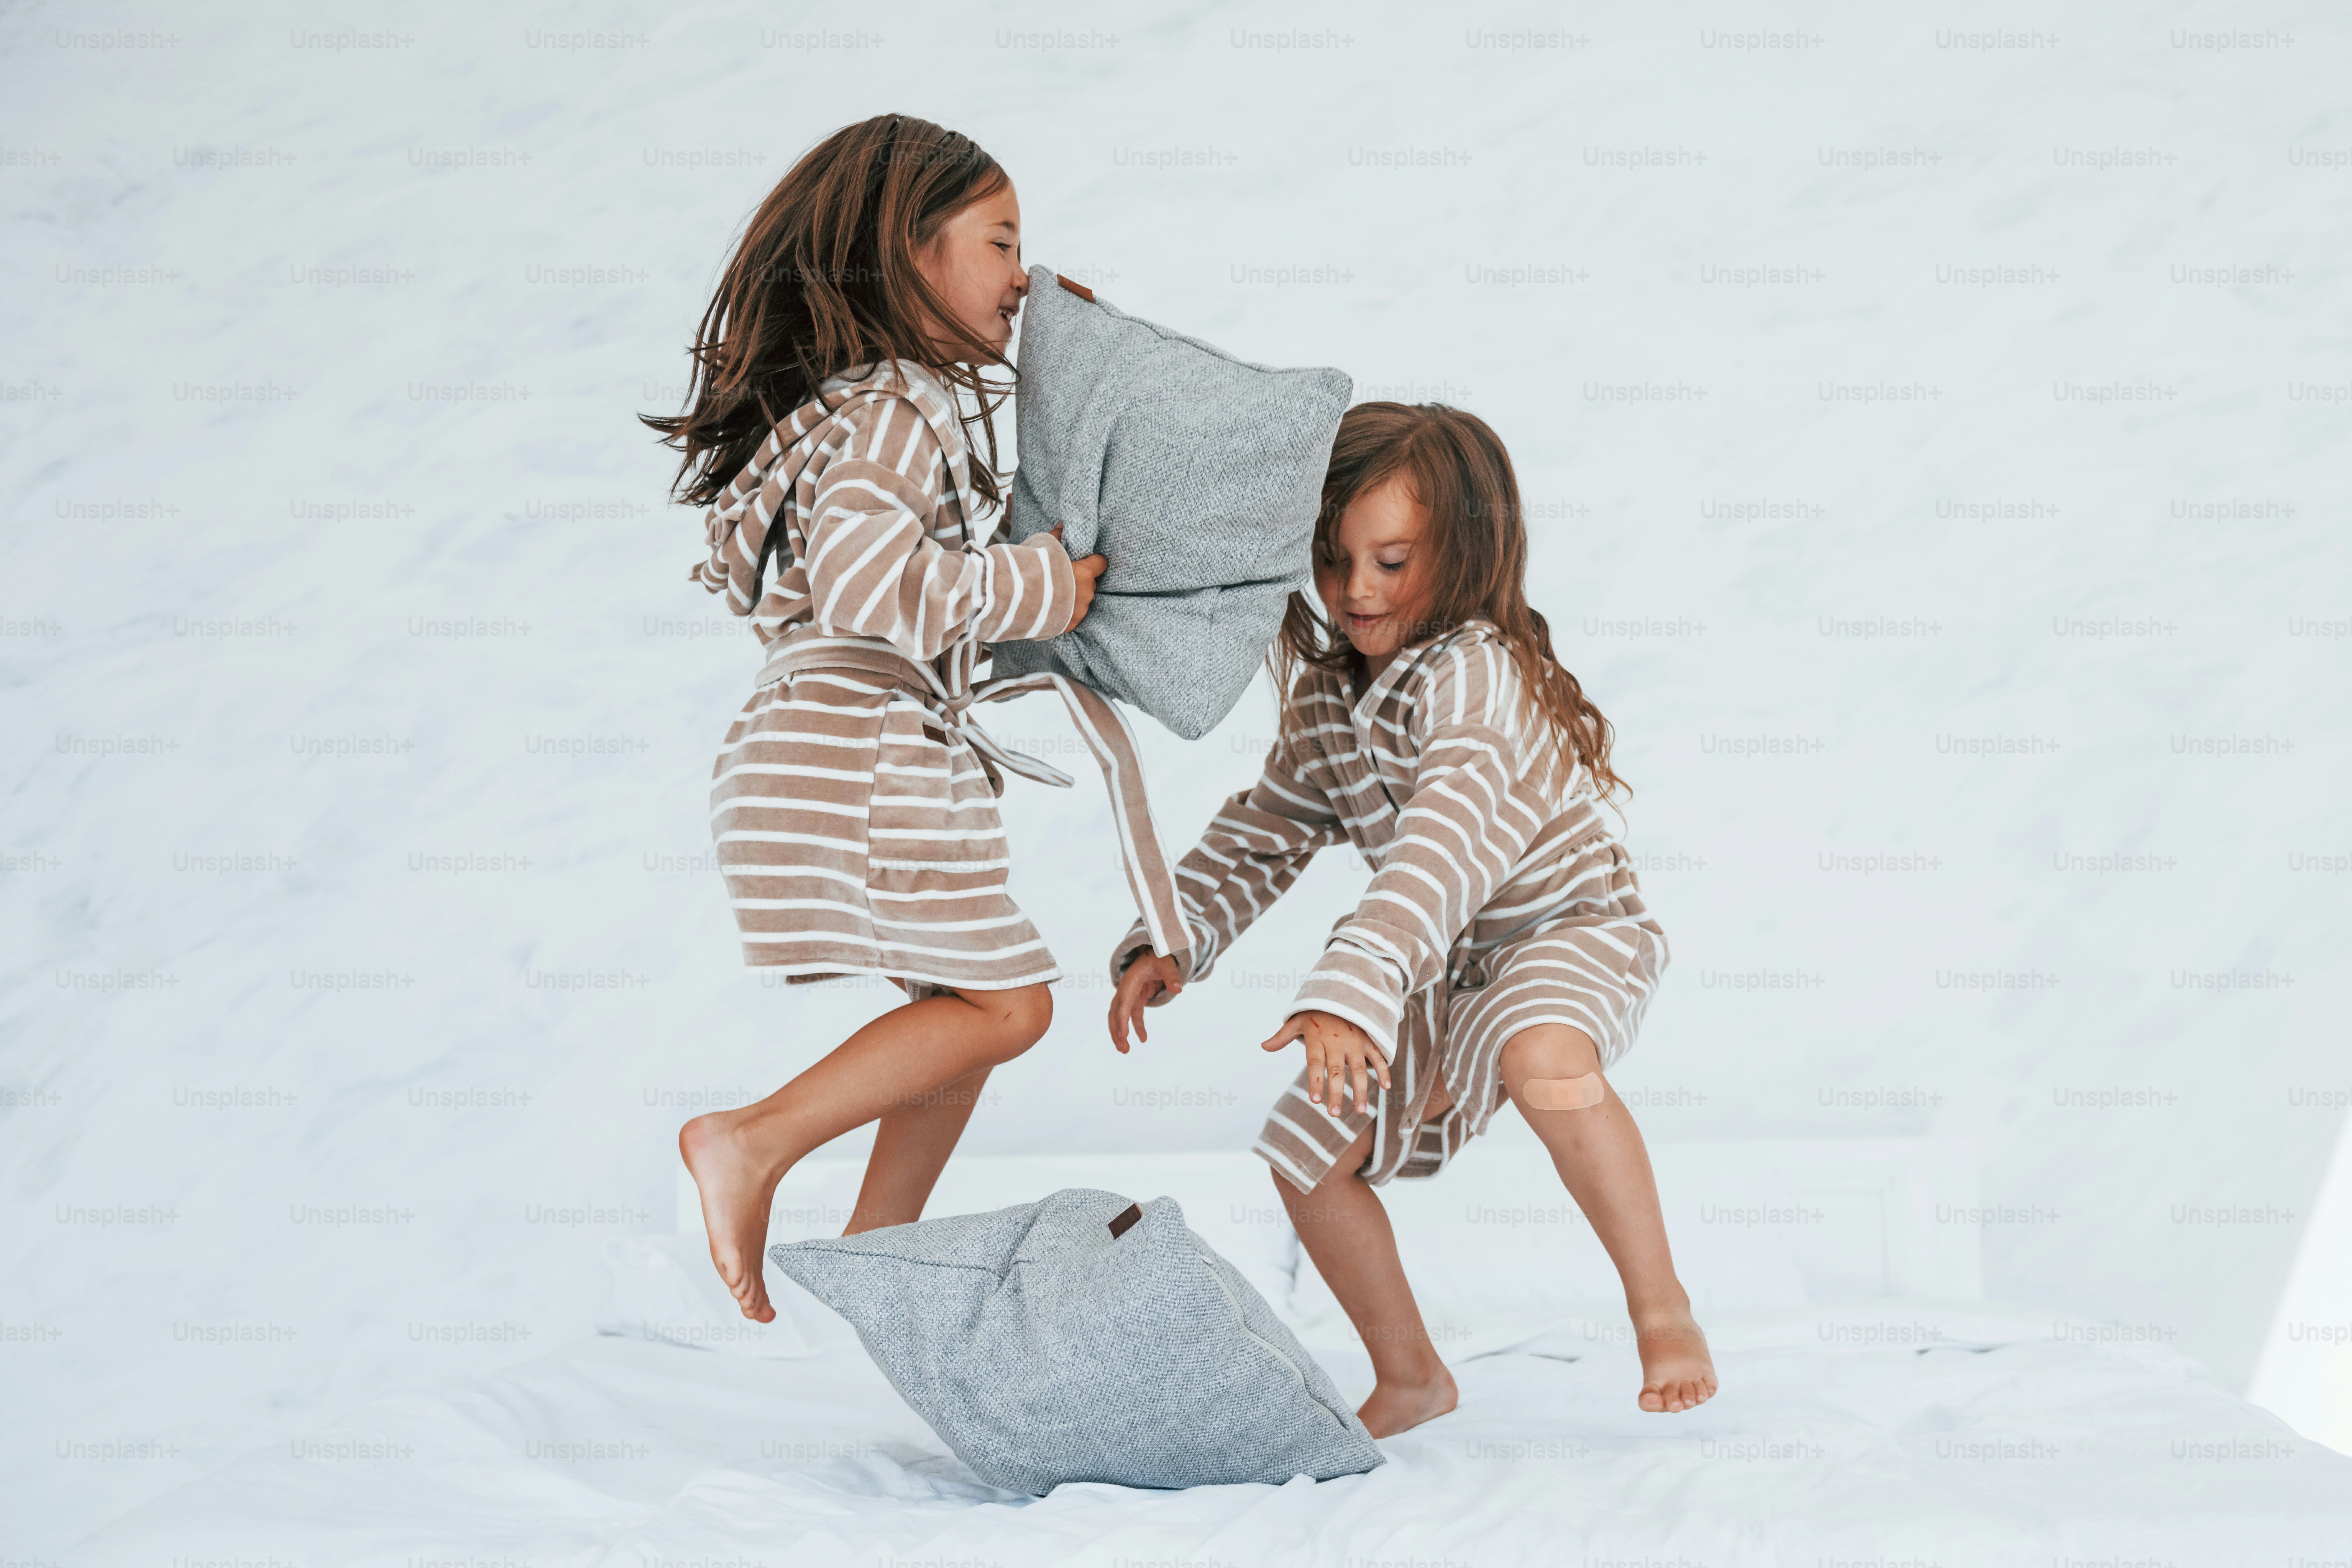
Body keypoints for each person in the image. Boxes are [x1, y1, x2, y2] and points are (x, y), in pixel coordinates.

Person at [1107, 402, 1716, 1434]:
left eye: (1391, 561)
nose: (1356, 592)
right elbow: (1267, 828)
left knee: (1544, 1058)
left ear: (1465, 553)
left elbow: (1443, 843)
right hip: (1430, 963)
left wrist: (1352, 989)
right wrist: (1172, 935)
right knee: (1304, 1155)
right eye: (1335, 560)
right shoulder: (1328, 694)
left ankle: (1661, 1309)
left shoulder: (1478, 674)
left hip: (1561, 928)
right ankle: (1411, 1377)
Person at [648, 114, 1135, 1325]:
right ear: (907, 255)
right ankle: (749, 1144)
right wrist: (1045, 584)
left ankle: (879, 1253)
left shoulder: (843, 407)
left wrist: (1070, 345)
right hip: (860, 748)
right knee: (1007, 1007)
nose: (1021, 272)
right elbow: (874, 587)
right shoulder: (894, 407)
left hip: (814, 745)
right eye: (1000, 242)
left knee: (963, 1014)